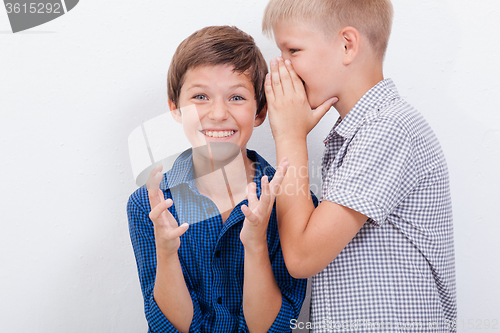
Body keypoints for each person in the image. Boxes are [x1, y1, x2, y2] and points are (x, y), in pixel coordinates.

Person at [261, 0, 457, 331]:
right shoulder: (361, 133)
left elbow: (301, 257)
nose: (283, 66)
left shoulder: (388, 129)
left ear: (347, 45)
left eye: (293, 50)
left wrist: (290, 136)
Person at [127, 25, 312, 333]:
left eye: (236, 97)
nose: (217, 113)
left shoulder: (290, 199)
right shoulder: (149, 204)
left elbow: (273, 328)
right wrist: (166, 252)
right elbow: (169, 328)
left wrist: (255, 245)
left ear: (260, 111)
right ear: (175, 108)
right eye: (200, 96)